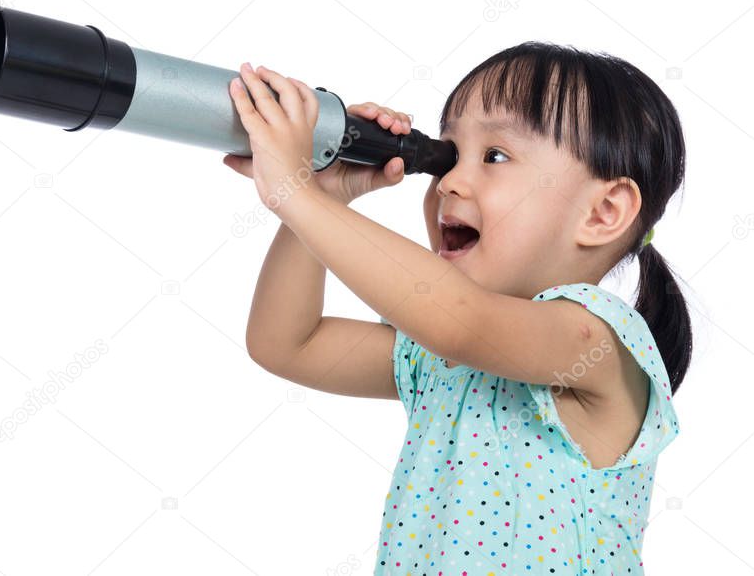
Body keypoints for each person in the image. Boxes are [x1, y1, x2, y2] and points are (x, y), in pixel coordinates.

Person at [222, 45, 690, 574]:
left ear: (603, 213)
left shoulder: (597, 336)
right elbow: (288, 343)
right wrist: (323, 199)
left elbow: (459, 319)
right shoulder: (440, 360)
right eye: (446, 155)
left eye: (494, 157)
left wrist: (295, 193)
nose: (447, 182)